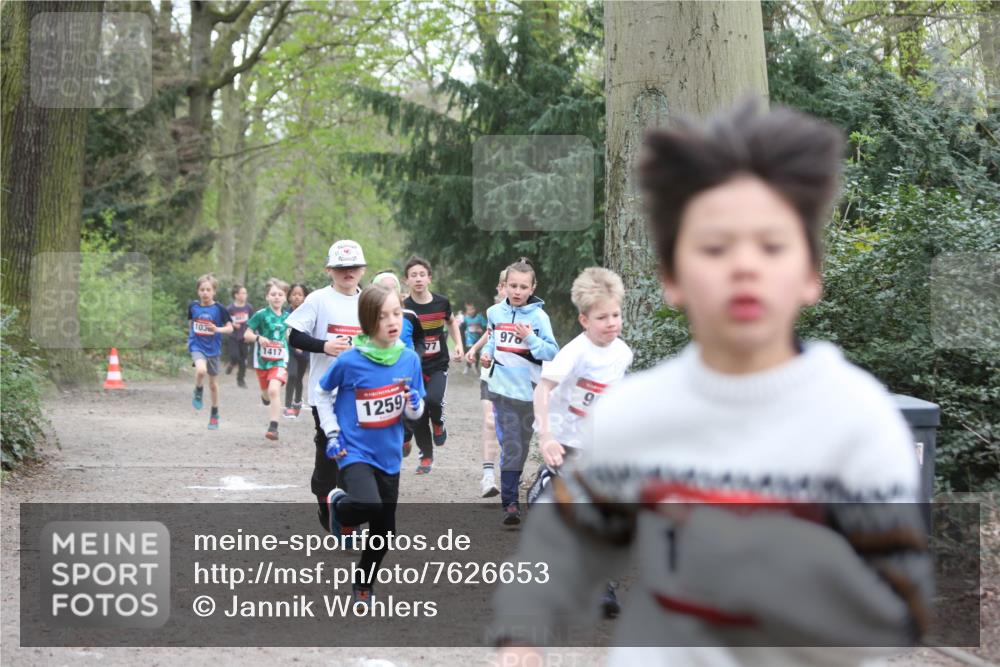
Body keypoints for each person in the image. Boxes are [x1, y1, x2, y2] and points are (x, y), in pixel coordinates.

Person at [493, 101, 930, 665]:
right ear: (673, 277)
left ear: (811, 273)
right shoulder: (636, 413)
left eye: (772, 245)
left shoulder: (857, 418)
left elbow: (900, 605)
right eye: (716, 246)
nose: (744, 265)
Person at [529, 267, 633, 618]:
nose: (612, 322)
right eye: (602, 317)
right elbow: (543, 390)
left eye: (616, 314)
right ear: (584, 319)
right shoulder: (575, 353)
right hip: (564, 439)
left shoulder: (623, 353)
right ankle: (544, 485)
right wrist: (546, 437)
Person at [316, 285, 426, 609]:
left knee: (385, 533)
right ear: (367, 321)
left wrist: (415, 405)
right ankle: (339, 507)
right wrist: (333, 432)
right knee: (367, 502)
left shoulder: (409, 360)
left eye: (396, 313)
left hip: (389, 455)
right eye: (382, 317)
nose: (392, 321)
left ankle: (363, 584)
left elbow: (414, 412)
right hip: (354, 451)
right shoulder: (350, 360)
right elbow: (322, 394)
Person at [286, 240, 366, 530]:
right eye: (342, 268)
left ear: (362, 270)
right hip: (325, 393)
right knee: (330, 450)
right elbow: (294, 337)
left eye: (354, 267)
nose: (348, 272)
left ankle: (344, 516)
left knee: (354, 451)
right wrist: (324, 346)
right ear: (330, 270)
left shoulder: (369, 301)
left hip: (360, 393)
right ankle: (324, 499)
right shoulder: (318, 299)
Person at [480, 258, 559, 526]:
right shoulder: (494, 313)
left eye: (523, 286)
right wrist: (486, 354)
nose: (517, 291)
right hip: (501, 390)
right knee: (512, 446)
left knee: (521, 447)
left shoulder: (539, 317)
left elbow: (551, 351)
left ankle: (519, 485)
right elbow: (492, 340)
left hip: (530, 393)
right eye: (512, 285)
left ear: (532, 287)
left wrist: (530, 338)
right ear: (504, 286)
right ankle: (510, 504)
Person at [403, 256, 465, 474]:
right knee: (418, 410)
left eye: (422, 275)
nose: (418, 279)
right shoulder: (404, 307)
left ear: (429, 278)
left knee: (433, 400)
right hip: (414, 367)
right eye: (413, 275)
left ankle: (438, 423)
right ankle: (426, 456)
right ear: (407, 281)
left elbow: (451, 322)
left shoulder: (441, 302)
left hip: (438, 363)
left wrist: (458, 344)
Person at [373, 270, 426, 458]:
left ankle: (405, 438)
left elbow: (421, 338)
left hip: (405, 369)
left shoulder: (410, 315)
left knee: (409, 406)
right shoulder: (368, 316)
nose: (388, 291)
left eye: (392, 287)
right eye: (383, 288)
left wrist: (416, 356)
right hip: (380, 369)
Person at [466, 269, 508, 498]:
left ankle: (512, 473)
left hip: (516, 381)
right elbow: (490, 335)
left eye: (507, 285)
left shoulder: (531, 315)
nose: (503, 289)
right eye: (501, 285)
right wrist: (474, 348)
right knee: (491, 421)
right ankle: (488, 476)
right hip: (490, 376)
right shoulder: (494, 313)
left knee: (513, 429)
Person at [245, 278, 290, 441]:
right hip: (262, 361)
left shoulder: (289, 317)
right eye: (273, 294)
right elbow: (247, 334)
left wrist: (296, 343)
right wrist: (258, 338)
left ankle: (273, 427)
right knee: (266, 393)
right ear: (267, 297)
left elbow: (289, 336)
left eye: (280, 294)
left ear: (285, 297)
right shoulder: (261, 315)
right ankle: (264, 397)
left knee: (274, 390)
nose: (277, 297)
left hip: (279, 361)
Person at [187, 274, 234, 430]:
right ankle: (198, 389)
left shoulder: (220, 309)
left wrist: (217, 329)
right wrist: (191, 339)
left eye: (208, 290)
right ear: (197, 291)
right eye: (202, 290)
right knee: (201, 370)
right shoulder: (193, 307)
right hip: (197, 346)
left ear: (214, 291)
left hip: (213, 350)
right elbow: (191, 324)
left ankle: (214, 413)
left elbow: (230, 328)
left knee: (213, 385)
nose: (205, 293)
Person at [283, 283, 311, 419]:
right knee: (292, 375)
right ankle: (287, 406)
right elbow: (285, 333)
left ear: (305, 297)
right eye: (294, 294)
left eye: (300, 295)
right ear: (289, 297)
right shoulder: (286, 314)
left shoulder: (309, 313)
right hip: (290, 350)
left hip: (304, 351)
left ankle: (297, 402)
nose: (297, 297)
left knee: (299, 378)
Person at [225, 284, 253, 388]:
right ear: (236, 295)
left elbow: (252, 320)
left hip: (245, 337)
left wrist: (251, 333)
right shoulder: (230, 308)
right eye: (243, 293)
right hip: (233, 336)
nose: (245, 295)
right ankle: (231, 364)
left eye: (246, 293)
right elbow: (225, 321)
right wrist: (232, 324)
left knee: (243, 359)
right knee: (235, 356)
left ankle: (240, 379)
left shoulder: (248, 307)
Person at [461, 301, 488, 375]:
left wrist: (480, 330)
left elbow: (485, 327)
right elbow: (462, 328)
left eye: (472, 309)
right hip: (469, 338)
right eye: (468, 309)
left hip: (478, 338)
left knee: (477, 353)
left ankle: (476, 366)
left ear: (475, 309)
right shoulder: (466, 319)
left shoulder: (479, 317)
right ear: (466, 310)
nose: (470, 311)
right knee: (469, 351)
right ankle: (468, 366)